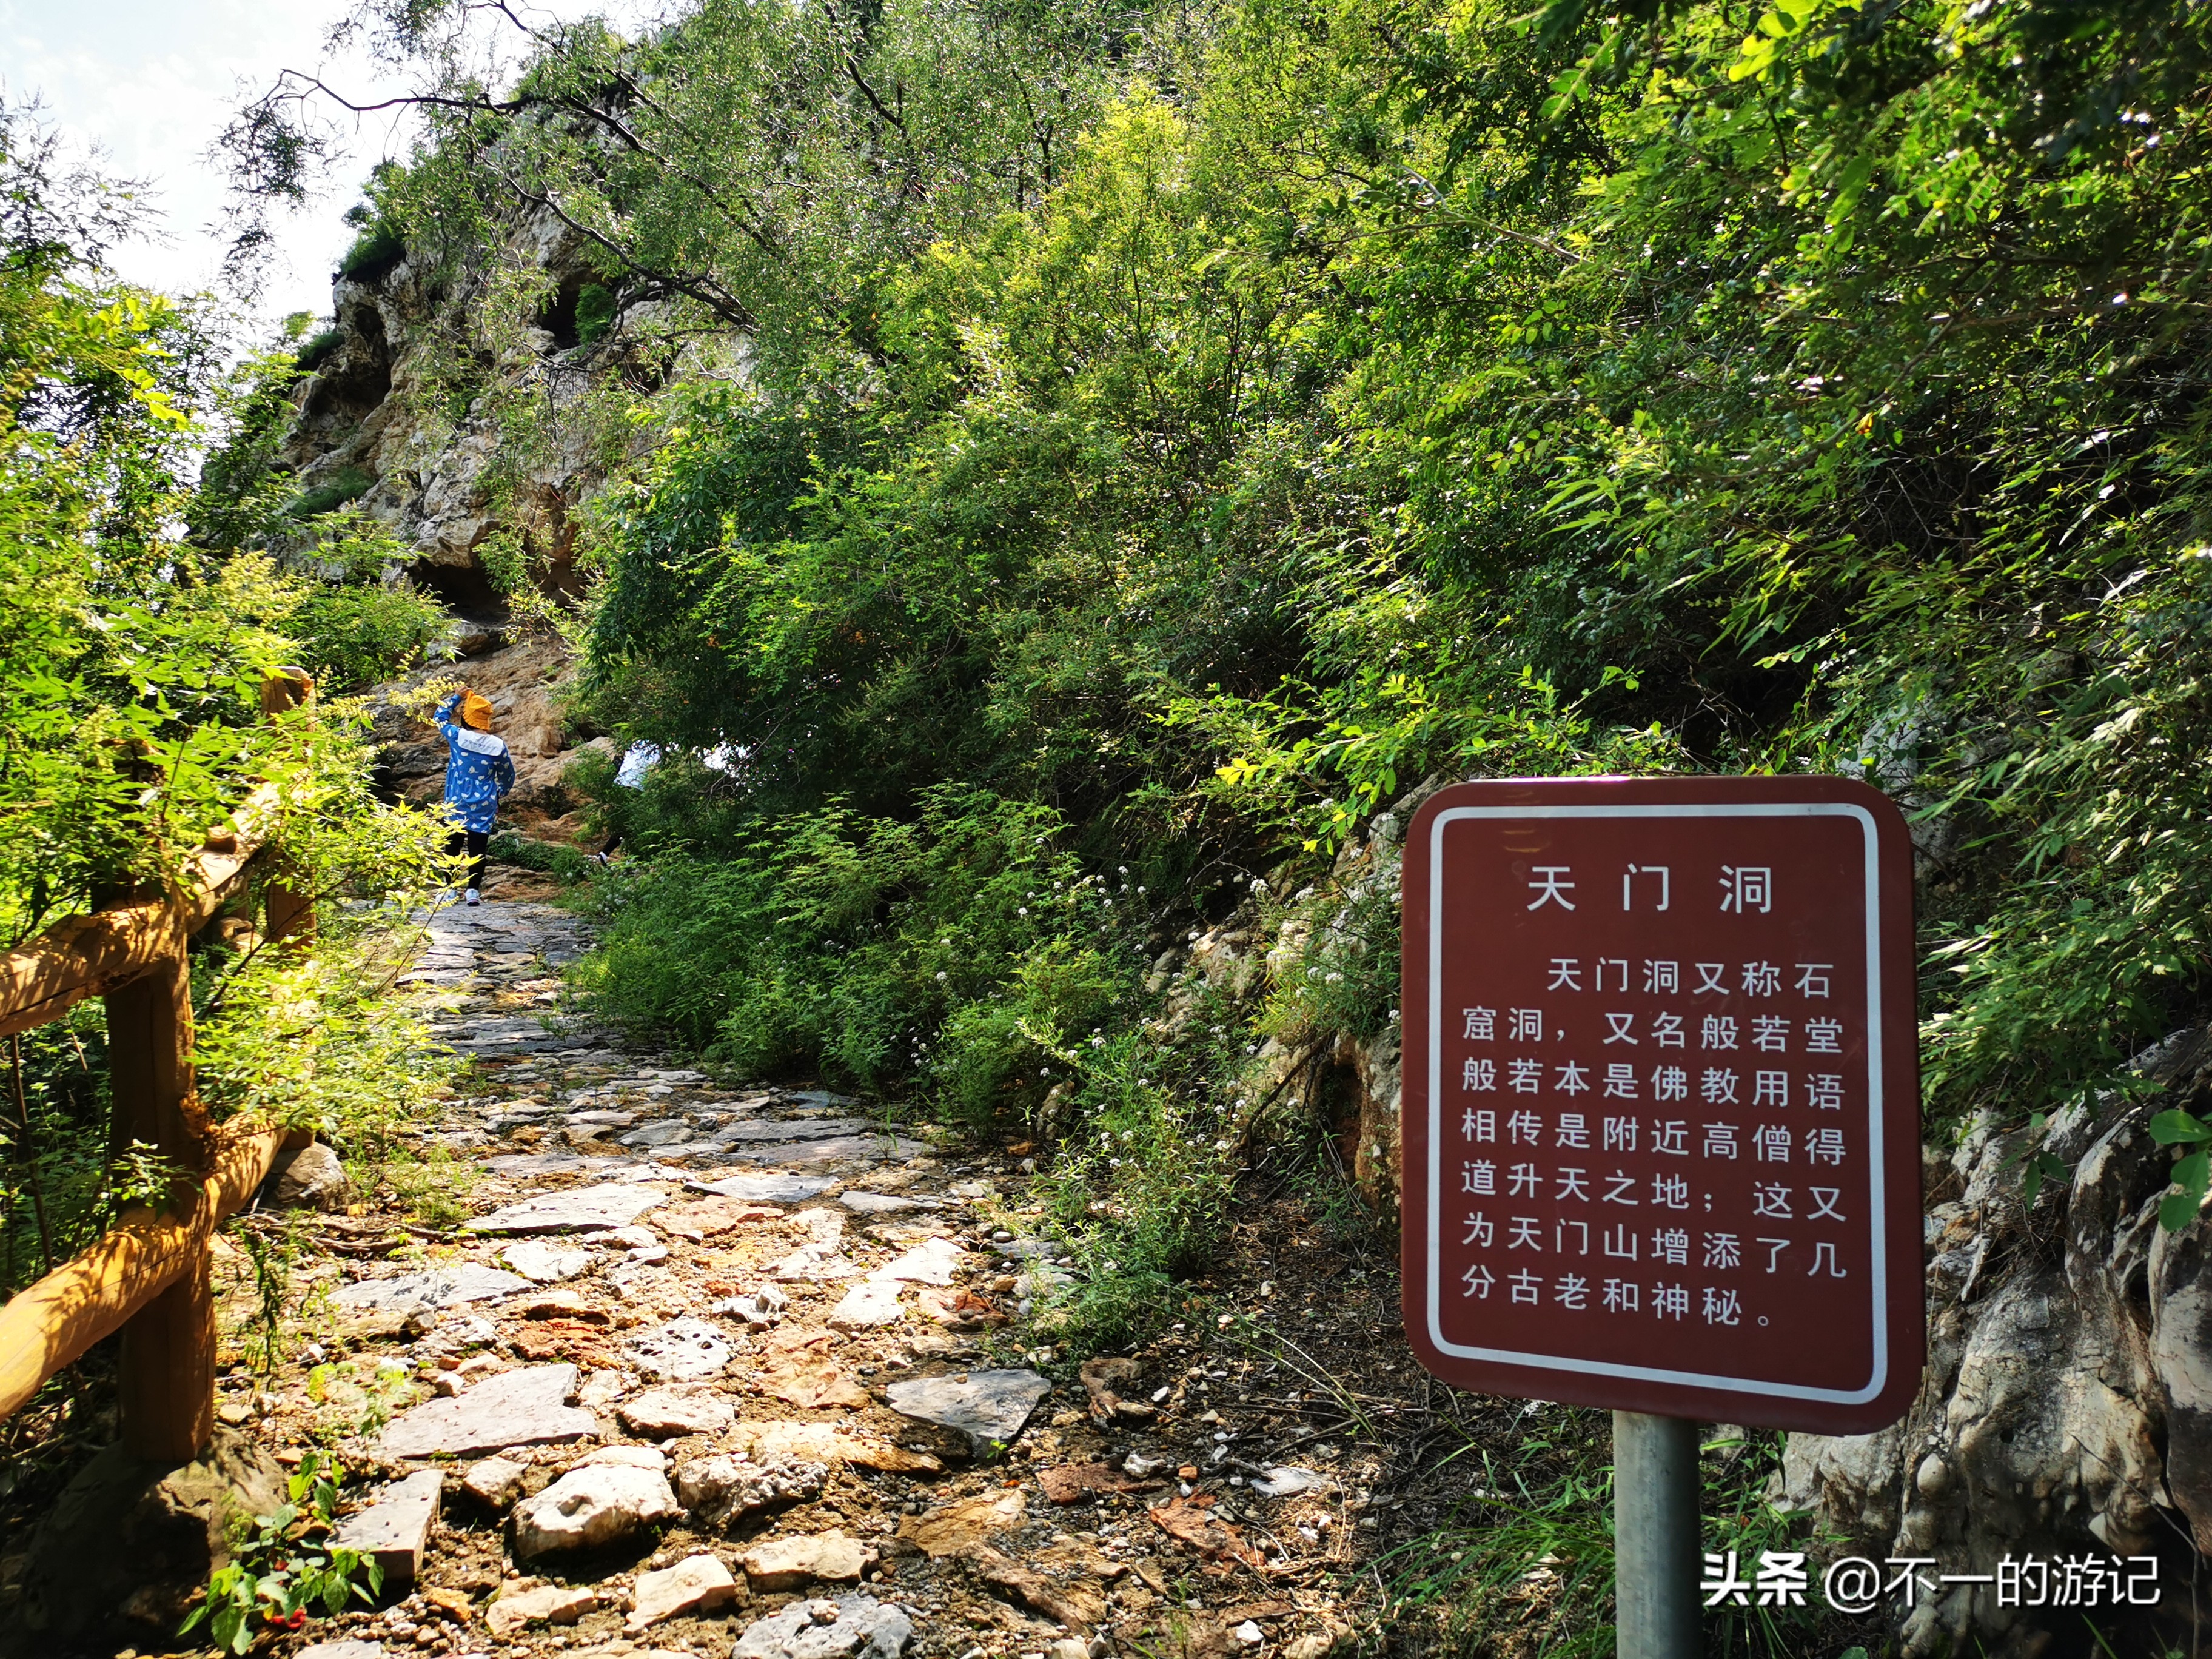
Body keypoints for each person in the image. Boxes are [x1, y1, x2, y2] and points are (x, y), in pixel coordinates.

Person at [435, 688, 516, 904]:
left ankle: (450, 889)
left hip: (457, 800)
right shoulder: (497, 745)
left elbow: (439, 717)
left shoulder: (457, 736)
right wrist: (501, 793)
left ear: (466, 718)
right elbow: (508, 774)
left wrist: (457, 697)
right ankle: (473, 892)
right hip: (485, 802)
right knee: (478, 847)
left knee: (452, 845)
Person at [589, 739, 662, 865]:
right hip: (637, 787)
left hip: (620, 784)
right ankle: (625, 858)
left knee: (622, 823)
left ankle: (606, 856)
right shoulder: (657, 748)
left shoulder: (636, 742)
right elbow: (653, 771)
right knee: (631, 824)